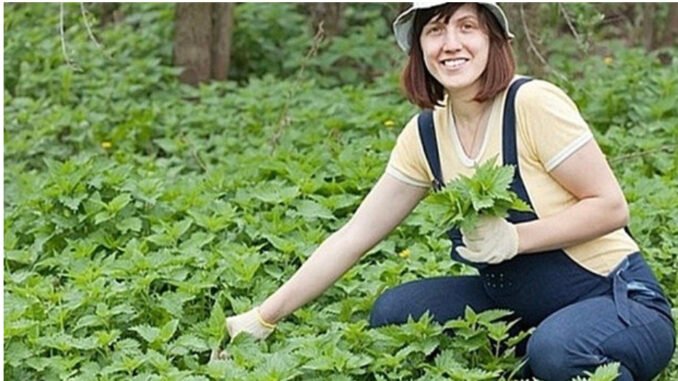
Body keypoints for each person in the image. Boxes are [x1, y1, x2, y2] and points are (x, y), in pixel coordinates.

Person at [222, 2, 676, 380]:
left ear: (493, 40)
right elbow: (354, 236)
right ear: (419, 48)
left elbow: (611, 206)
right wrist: (263, 317)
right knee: (395, 315)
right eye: (435, 30)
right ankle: (529, 356)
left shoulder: (533, 104)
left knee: (558, 352)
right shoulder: (426, 135)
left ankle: (557, 357)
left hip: (618, 301)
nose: (451, 43)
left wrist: (517, 239)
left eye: (466, 26)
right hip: (516, 306)